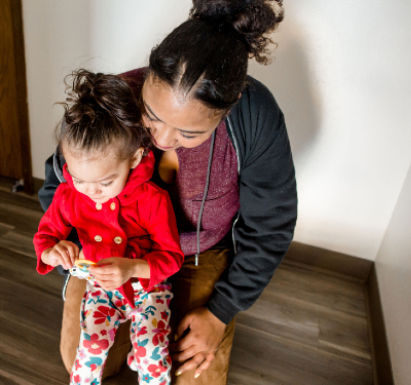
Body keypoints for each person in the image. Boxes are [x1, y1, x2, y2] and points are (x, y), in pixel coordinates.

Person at [38, 0, 297, 384]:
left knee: (193, 375)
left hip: (197, 251)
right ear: (146, 80)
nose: (160, 138)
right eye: (152, 116)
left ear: (229, 109)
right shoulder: (117, 98)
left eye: (188, 134)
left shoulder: (255, 117)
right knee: (82, 357)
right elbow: (60, 184)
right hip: (110, 245)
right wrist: (72, 253)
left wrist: (221, 312)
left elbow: (269, 228)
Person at [33, 70, 184, 385]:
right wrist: (52, 253)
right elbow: (45, 238)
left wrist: (133, 268)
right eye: (78, 178)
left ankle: (141, 358)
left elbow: (171, 258)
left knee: (153, 356)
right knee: (89, 350)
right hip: (100, 288)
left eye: (105, 181)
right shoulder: (69, 194)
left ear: (134, 159)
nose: (91, 191)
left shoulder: (152, 199)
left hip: (148, 288)